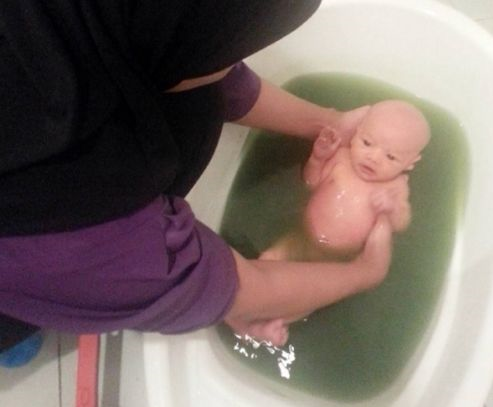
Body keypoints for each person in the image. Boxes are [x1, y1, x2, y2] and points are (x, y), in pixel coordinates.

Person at [0, 0, 392, 351]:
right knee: (22, 318)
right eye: (232, 53)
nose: (234, 64)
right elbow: (247, 287)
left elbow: (201, 63)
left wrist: (330, 124)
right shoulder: (67, 221)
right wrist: (366, 272)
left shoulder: (90, 24)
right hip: (32, 251)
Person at [261, 100, 430, 262]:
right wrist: (317, 160)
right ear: (357, 132)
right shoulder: (341, 158)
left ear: (411, 163)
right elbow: (310, 183)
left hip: (343, 258)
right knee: (270, 258)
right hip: (303, 235)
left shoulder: (396, 187)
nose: (373, 158)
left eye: (391, 157)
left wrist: (392, 208)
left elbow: (401, 224)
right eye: (367, 143)